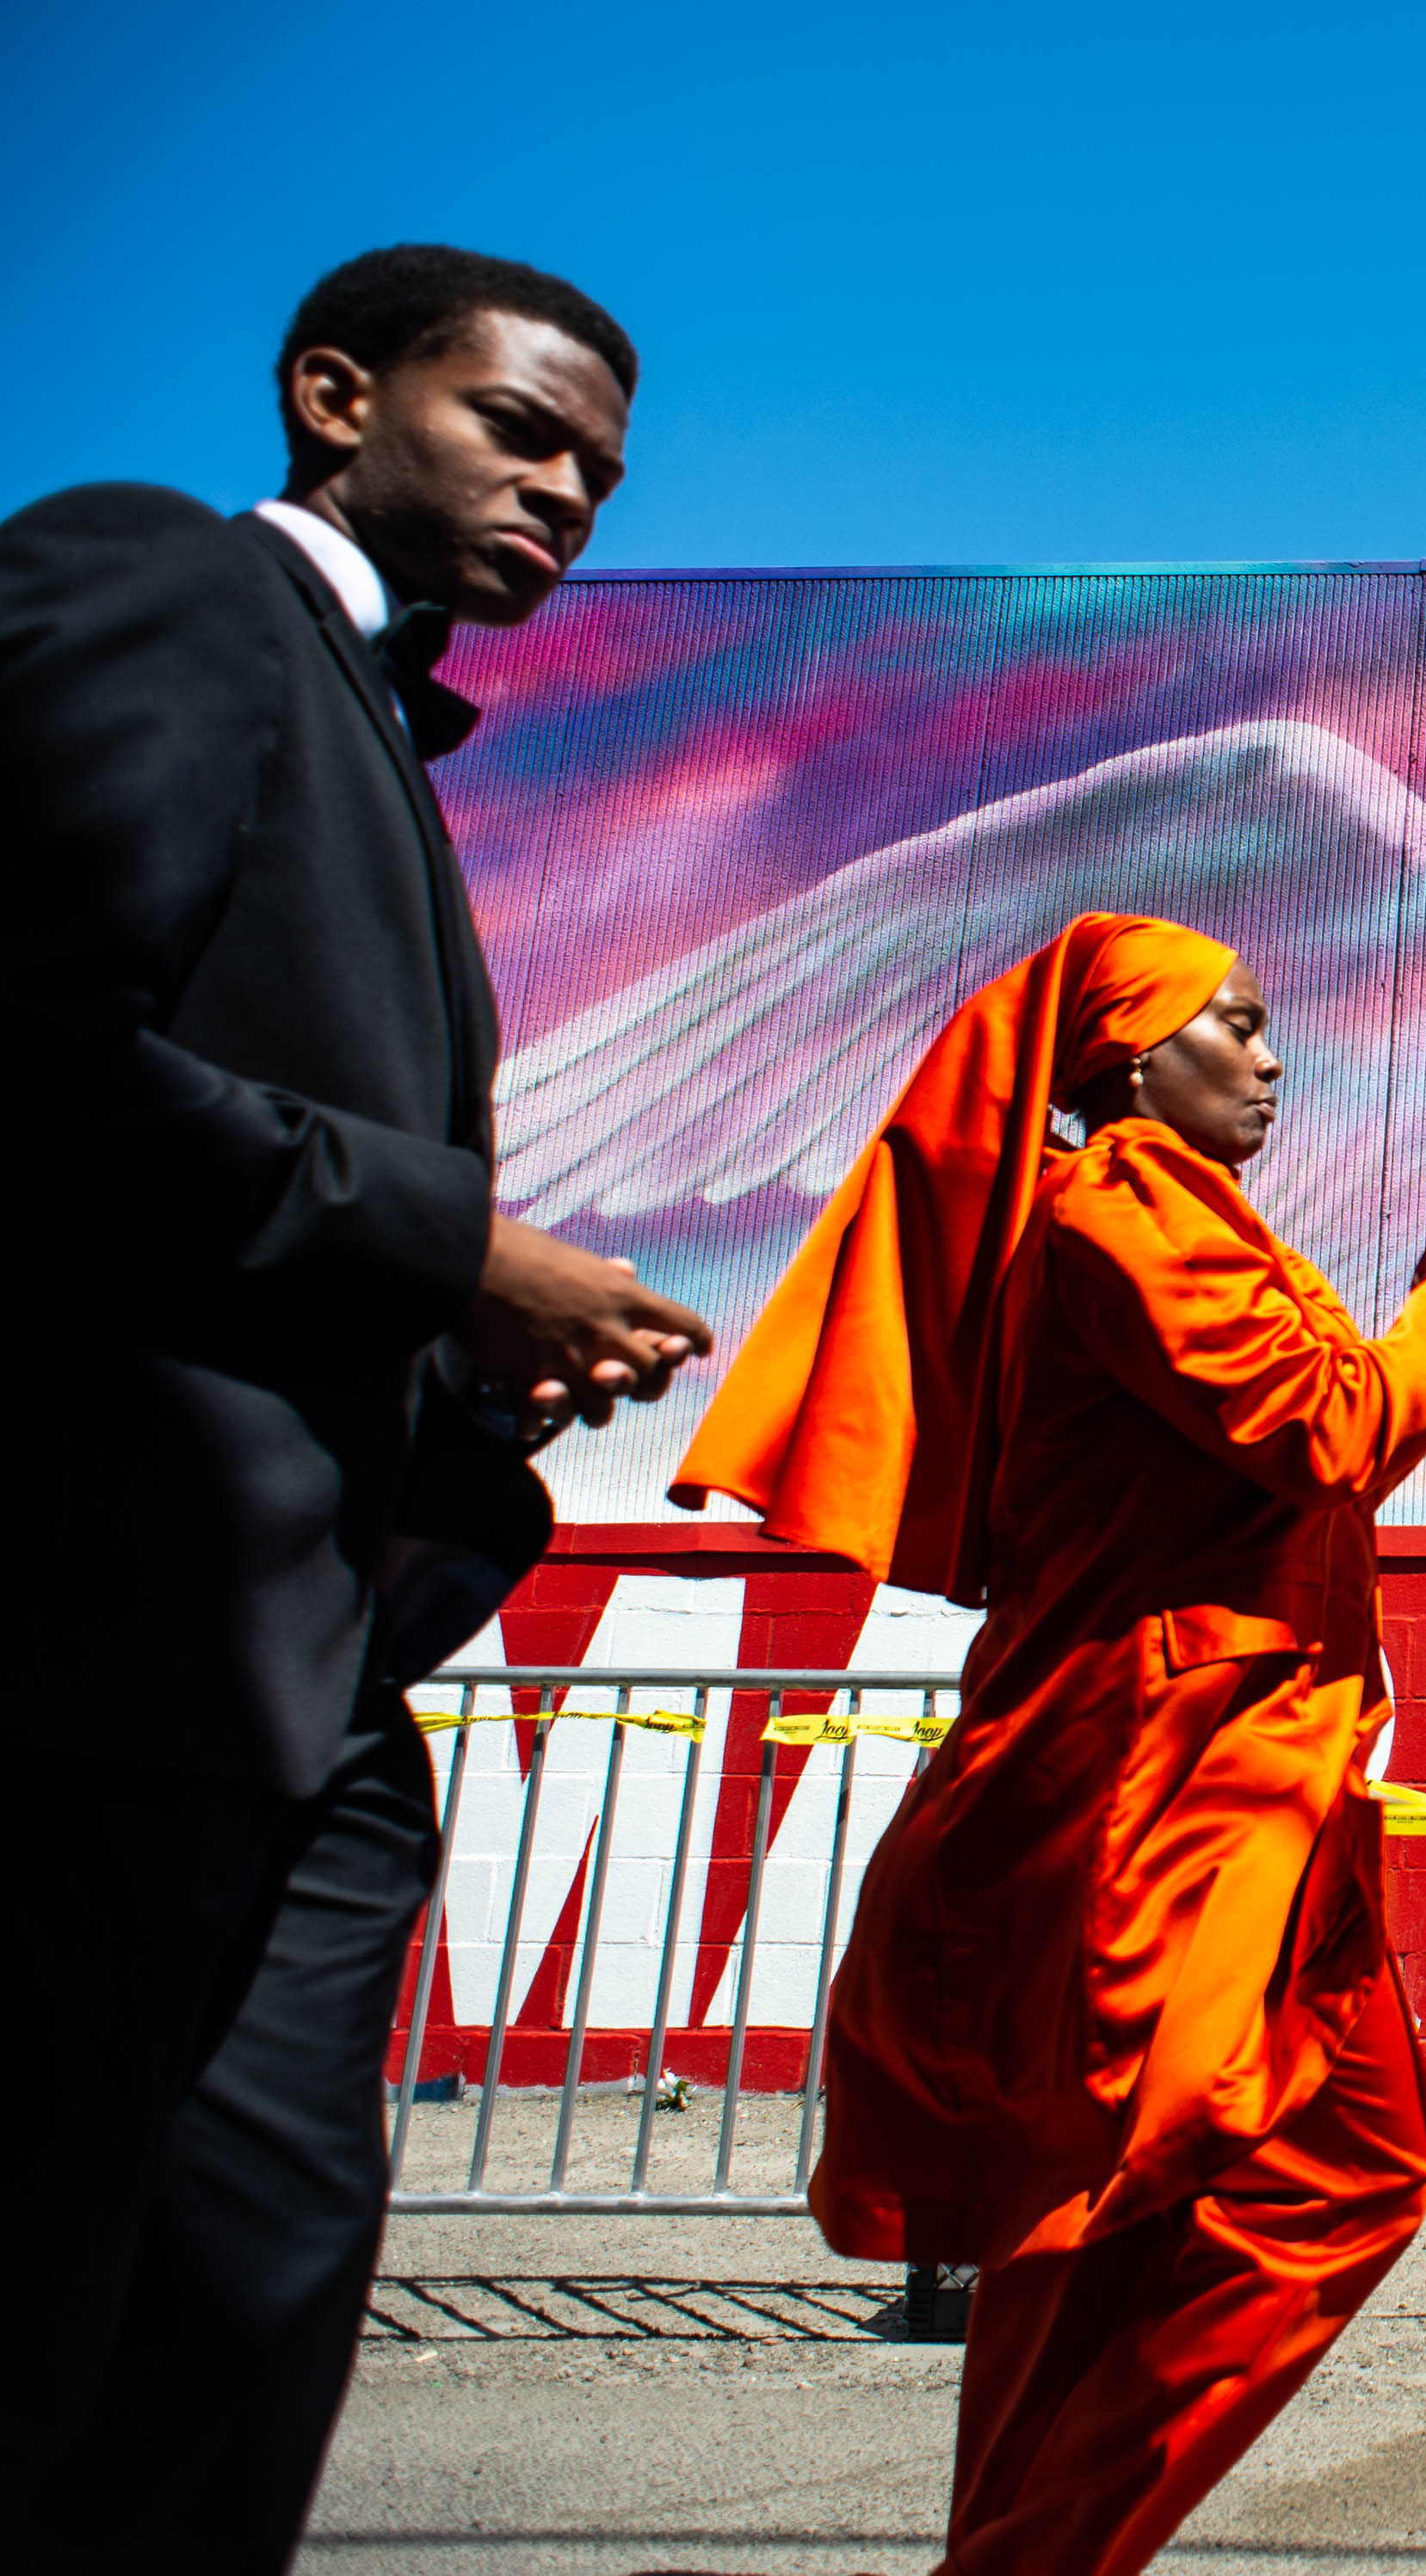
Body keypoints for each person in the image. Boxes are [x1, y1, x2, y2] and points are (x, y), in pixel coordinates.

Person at [0, 245, 710, 2566]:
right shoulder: (160, 585)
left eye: (599, 466)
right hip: (105, 1644)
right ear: (335, 394)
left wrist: (459, 1343)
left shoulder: (379, 724)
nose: (568, 490)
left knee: (248, 2308)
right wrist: (445, 1242)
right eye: (520, 428)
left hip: (300, 1691)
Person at [670, 913, 1426, 2576]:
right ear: (1129, 1060)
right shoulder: (1124, 1210)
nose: (1274, 1058)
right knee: (1315, 2185)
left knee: (1098, 2216)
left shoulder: (1172, 1220)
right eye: (1238, 1024)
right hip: (1164, 1791)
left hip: (1236, 1781)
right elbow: (1330, 1425)